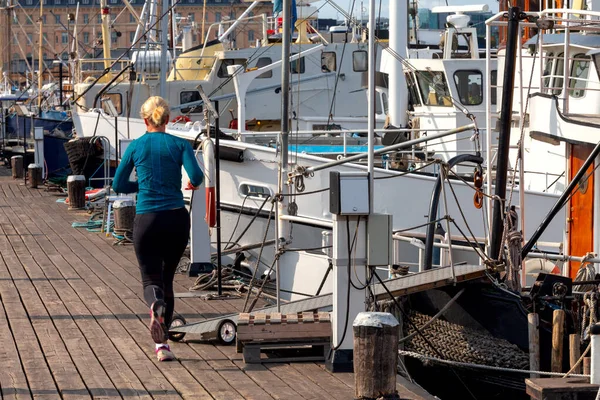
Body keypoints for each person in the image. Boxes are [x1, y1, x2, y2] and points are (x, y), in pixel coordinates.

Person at [112, 96, 203, 362]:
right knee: (168, 280)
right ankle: (163, 341)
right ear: (167, 119)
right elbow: (196, 176)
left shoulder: (137, 146)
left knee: (151, 281)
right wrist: (191, 185)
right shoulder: (179, 144)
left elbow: (119, 183)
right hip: (175, 219)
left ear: (145, 119)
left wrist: (140, 187)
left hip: (147, 220)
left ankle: (159, 335)